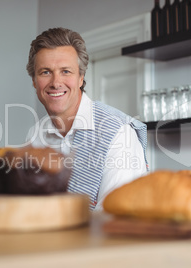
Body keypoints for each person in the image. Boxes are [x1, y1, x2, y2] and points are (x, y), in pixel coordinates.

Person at [25, 27, 148, 210]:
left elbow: (113, 216)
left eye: (66, 71)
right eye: (45, 72)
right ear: (34, 81)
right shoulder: (35, 135)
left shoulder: (118, 133)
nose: (56, 82)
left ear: (81, 78)